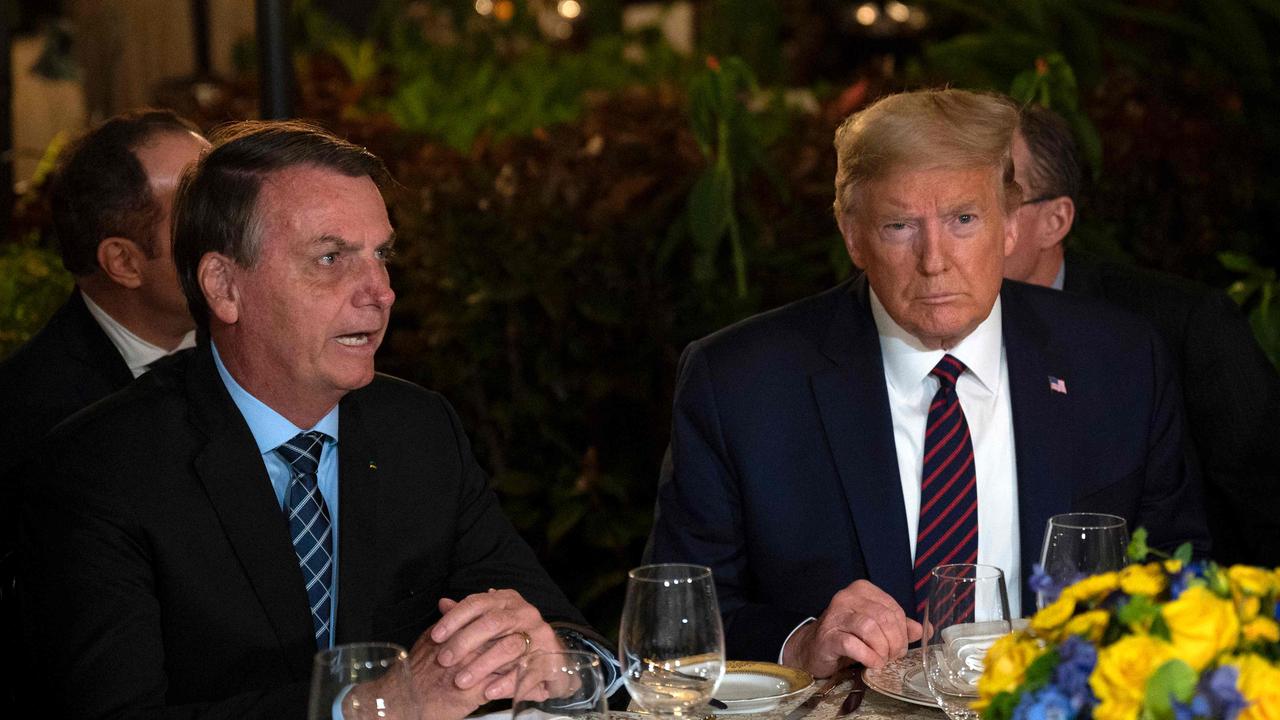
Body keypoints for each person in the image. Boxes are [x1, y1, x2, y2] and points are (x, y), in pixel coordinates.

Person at [20, 121, 612, 718]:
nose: (380, 292)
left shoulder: (417, 429)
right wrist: (374, 705)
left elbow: (571, 637)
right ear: (224, 287)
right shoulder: (104, 468)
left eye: (381, 255)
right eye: (331, 258)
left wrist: (561, 663)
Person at [649, 89, 1209, 679]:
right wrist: (803, 643)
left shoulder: (1119, 361)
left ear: (1012, 224)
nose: (934, 260)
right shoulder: (742, 382)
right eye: (899, 226)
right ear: (852, 234)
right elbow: (673, 618)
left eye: (963, 219)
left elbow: (1180, 570)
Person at [1006, 104, 1280, 566]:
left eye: (995, 202)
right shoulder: (936, 331)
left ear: (1054, 221)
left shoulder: (1181, 324)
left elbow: (1267, 499)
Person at [0, 109, 207, 488]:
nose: (236, 222)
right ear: (124, 262)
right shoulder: (34, 418)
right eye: (198, 211)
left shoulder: (267, 332)